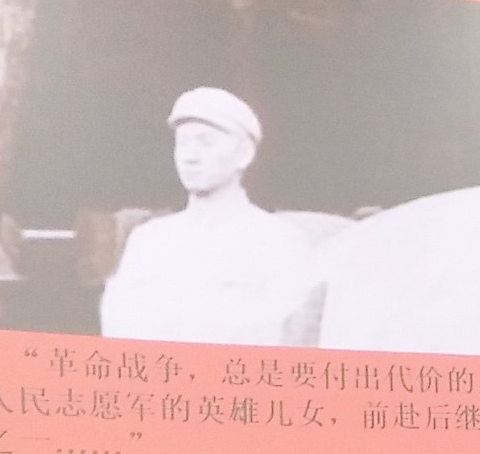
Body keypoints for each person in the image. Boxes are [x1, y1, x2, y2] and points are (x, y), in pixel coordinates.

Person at [97, 86, 324, 346]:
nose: (190, 156)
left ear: (244, 154)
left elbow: (286, 340)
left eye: (205, 142)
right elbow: (121, 328)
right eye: (183, 142)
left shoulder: (281, 242)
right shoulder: (148, 241)